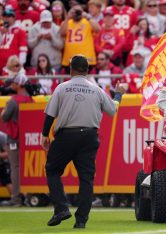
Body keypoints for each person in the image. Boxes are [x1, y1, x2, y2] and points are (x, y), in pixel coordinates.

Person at [41, 55, 126, 229]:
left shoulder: (62, 88)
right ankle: (81, 220)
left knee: (52, 170)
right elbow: (113, 110)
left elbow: (50, 114)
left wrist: (44, 135)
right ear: (88, 70)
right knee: (86, 179)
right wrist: (118, 94)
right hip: (89, 136)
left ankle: (61, 208)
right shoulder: (96, 89)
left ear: (70, 69)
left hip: (66, 136)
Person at [0, 74, 34, 207]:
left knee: (15, 168)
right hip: (27, 138)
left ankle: (16, 198)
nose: (12, 85)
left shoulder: (14, 101)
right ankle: (28, 195)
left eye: (14, 83)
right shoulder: (30, 99)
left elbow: (4, 118)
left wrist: (3, 111)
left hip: (14, 139)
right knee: (26, 168)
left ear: (19, 85)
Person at [60, 5, 101, 72]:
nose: (77, 13)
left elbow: (98, 29)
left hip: (87, 58)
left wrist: (88, 17)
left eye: (79, 11)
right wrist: (67, 17)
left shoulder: (88, 22)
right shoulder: (67, 22)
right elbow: (62, 33)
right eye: (74, 11)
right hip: (70, 58)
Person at [0, 131, 13, 206]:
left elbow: (9, 153)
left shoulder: (1, 136)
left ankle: (15, 199)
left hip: (3, 164)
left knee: (7, 181)